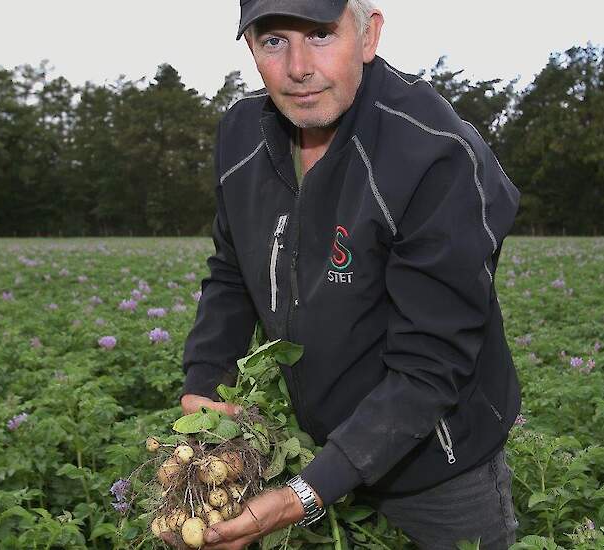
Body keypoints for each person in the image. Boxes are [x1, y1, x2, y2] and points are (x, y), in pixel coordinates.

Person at [178, 1, 523, 548]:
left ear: (368, 34)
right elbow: (232, 271)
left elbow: (430, 365)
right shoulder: (242, 134)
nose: (297, 67)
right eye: (273, 41)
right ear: (250, 48)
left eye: (320, 35)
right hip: (313, 441)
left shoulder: (433, 152)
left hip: (437, 463)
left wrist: (304, 495)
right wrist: (204, 378)